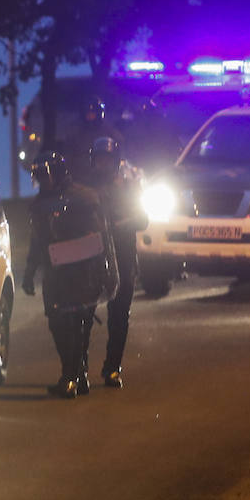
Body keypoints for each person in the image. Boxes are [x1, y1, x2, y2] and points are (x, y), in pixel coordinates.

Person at [20, 154, 115, 399]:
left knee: (78, 323)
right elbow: (37, 241)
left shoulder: (85, 198)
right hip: (58, 273)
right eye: (38, 176)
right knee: (61, 322)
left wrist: (109, 271)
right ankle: (76, 373)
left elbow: (102, 237)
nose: (41, 181)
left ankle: (72, 376)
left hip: (83, 271)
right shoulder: (42, 204)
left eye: (45, 175)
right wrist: (29, 272)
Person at [83, 138, 149, 388]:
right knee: (84, 315)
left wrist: (118, 226)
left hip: (122, 257)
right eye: (100, 159)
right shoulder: (85, 190)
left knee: (119, 316)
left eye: (108, 160)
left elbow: (143, 219)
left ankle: (112, 368)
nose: (104, 164)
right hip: (92, 260)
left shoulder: (129, 188)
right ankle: (78, 368)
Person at [58, 96, 125, 177]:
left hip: (105, 177)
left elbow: (120, 150)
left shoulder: (110, 132)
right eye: (88, 113)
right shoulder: (75, 133)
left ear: (99, 113)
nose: (90, 116)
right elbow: (68, 156)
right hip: (81, 178)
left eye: (93, 113)